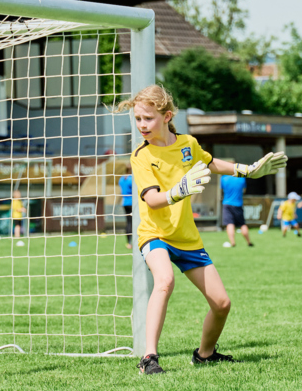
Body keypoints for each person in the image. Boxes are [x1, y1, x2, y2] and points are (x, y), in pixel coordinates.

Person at [115, 84, 287, 374]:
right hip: (155, 235)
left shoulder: (187, 144)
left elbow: (210, 162)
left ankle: (205, 355)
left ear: (167, 116)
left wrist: (247, 169)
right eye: (138, 119)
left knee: (222, 304)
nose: (142, 125)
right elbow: (154, 201)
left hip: (187, 239)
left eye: (148, 118)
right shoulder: (141, 156)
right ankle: (149, 359)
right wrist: (177, 191)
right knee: (165, 281)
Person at [220, 172, 252, 248]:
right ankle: (249, 242)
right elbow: (244, 190)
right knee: (242, 224)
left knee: (229, 224)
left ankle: (233, 242)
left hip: (227, 203)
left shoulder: (224, 178)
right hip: (238, 204)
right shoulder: (241, 178)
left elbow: (222, 189)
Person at [119, 167, 134, 249]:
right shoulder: (131, 179)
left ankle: (129, 243)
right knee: (134, 223)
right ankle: (135, 242)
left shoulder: (121, 179)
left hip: (124, 203)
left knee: (128, 222)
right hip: (132, 203)